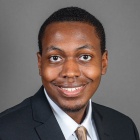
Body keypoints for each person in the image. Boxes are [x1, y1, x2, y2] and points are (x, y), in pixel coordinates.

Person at [0, 7, 139, 140]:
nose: (70, 72)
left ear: (103, 62)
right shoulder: (5, 131)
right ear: (40, 63)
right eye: (55, 58)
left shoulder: (124, 128)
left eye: (85, 57)